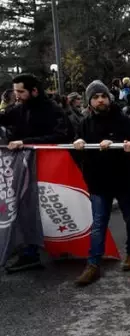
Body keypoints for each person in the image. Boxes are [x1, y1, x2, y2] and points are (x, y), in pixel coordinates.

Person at [1, 74, 74, 273]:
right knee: (24, 208)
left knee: (48, 209)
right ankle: (29, 249)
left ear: (34, 91)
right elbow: (5, 118)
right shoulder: (20, 108)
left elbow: (62, 135)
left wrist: (26, 143)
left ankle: (55, 247)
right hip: (24, 168)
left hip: (49, 168)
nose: (17, 96)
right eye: (15, 91)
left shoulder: (52, 110)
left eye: (21, 92)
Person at [72, 81, 130, 286]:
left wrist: (117, 143)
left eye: (103, 96)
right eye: (95, 97)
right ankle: (93, 264)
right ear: (90, 101)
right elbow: (76, 145)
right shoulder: (85, 123)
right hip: (98, 181)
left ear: (109, 98)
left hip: (123, 179)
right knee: (99, 223)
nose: (100, 100)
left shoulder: (123, 119)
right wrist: (78, 143)